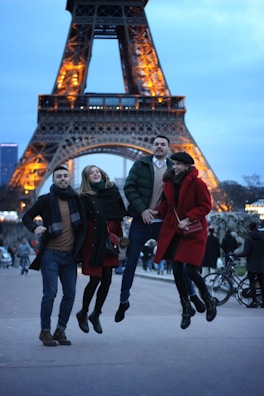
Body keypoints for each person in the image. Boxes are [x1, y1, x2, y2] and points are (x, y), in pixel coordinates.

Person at [115, 136, 204, 323]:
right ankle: (124, 300)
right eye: (156, 144)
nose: (159, 146)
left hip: (165, 222)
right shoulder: (141, 164)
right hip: (142, 220)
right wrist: (142, 209)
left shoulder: (176, 167)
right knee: (131, 262)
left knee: (179, 262)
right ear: (152, 147)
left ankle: (191, 297)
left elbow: (186, 193)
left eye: (163, 144)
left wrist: (186, 216)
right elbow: (129, 187)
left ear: (168, 148)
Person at [22, 165, 86, 346]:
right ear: (54, 179)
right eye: (59, 177)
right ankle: (45, 331)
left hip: (70, 256)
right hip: (50, 254)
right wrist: (36, 227)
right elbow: (26, 217)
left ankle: (60, 330)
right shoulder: (45, 200)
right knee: (50, 293)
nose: (63, 179)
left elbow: (88, 220)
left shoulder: (77, 200)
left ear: (69, 178)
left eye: (65, 176)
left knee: (71, 293)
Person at [154, 151, 217, 329]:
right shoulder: (171, 183)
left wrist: (188, 218)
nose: (175, 167)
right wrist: (156, 211)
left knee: (190, 271)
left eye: (178, 165)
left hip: (192, 231)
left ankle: (209, 300)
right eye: (174, 164)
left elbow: (205, 206)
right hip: (175, 230)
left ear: (188, 166)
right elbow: (168, 205)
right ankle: (186, 308)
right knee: (176, 270)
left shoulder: (198, 183)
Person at [76, 165, 127, 334]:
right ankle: (83, 312)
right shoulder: (84, 197)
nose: (95, 174)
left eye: (97, 171)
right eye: (91, 173)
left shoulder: (112, 192)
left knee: (107, 280)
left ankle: (96, 314)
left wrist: (120, 239)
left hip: (110, 239)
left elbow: (119, 217)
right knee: (95, 279)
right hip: (93, 241)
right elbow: (79, 221)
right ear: (87, 178)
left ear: (102, 173)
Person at [237, 222, 264, 308]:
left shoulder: (248, 239)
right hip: (261, 264)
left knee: (252, 284)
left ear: (249, 228)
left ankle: (254, 302)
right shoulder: (262, 238)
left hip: (251, 264)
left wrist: (236, 255)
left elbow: (246, 252)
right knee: (262, 283)